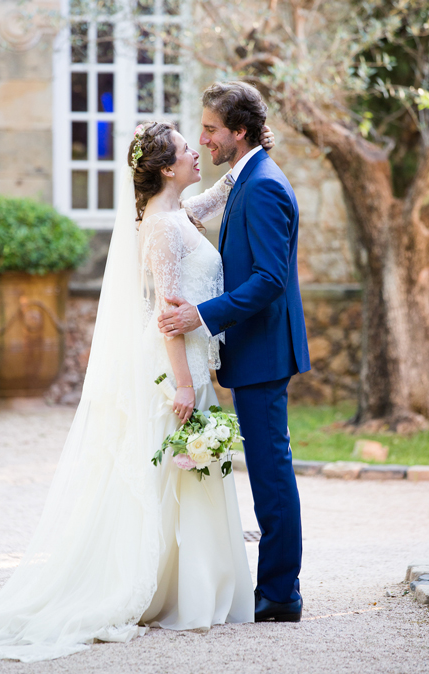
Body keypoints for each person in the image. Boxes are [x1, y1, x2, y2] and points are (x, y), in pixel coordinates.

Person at [0, 119, 277, 662]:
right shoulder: (161, 227)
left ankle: (197, 588)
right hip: (173, 367)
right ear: (167, 168)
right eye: (189, 149)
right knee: (171, 472)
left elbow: (214, 196)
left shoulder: (175, 213)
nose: (196, 153)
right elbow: (166, 313)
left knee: (187, 475)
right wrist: (184, 386)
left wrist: (248, 155)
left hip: (190, 360)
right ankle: (174, 591)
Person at [158, 81, 310, 623]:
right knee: (270, 470)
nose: (203, 137)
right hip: (254, 351)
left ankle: (280, 593)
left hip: (265, 352)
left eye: (211, 129)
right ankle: (276, 586)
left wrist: (202, 314)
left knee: (271, 473)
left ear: (238, 132)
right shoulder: (246, 177)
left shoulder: (265, 185)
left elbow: (269, 279)